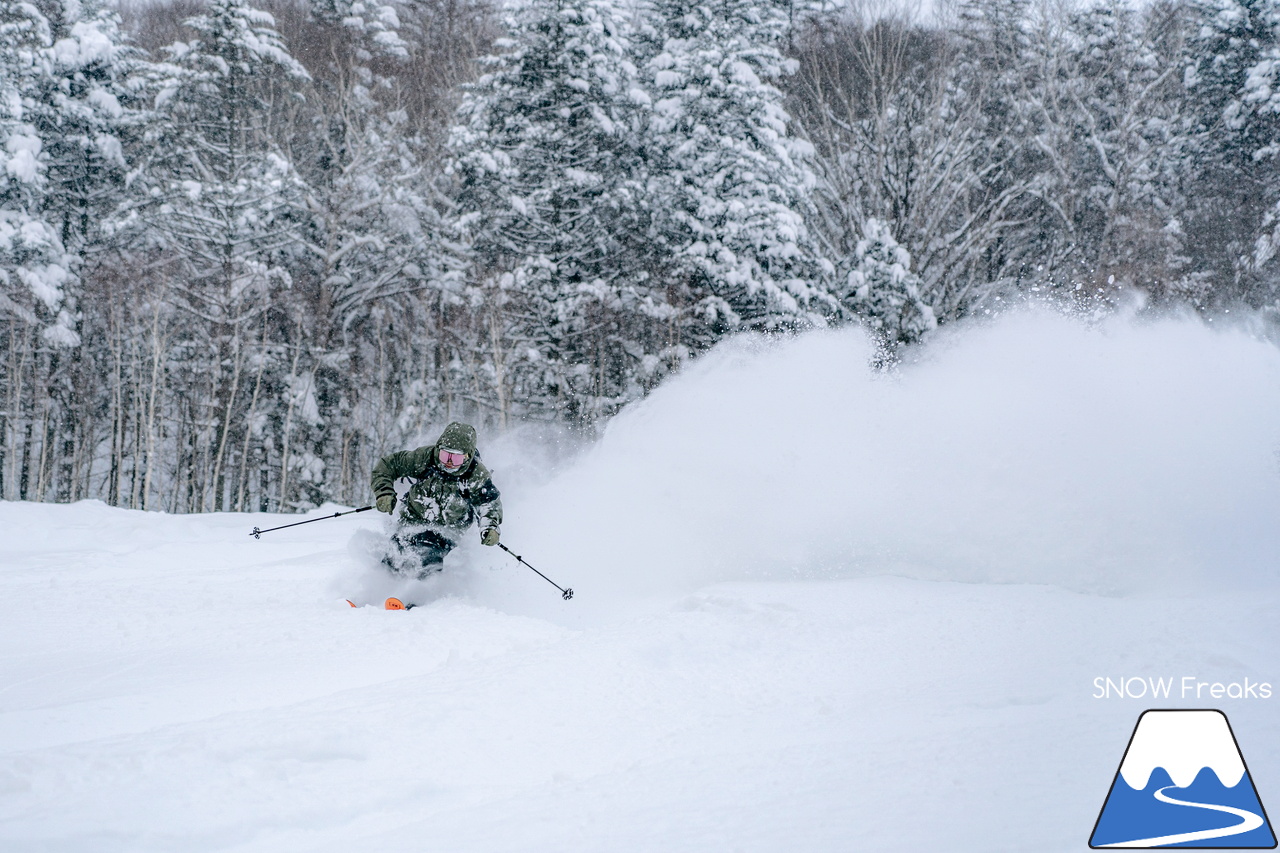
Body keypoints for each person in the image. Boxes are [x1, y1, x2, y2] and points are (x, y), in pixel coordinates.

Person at [370, 422, 502, 577]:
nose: (449, 463)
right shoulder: (425, 458)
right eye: (445, 455)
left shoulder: (476, 474)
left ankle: (423, 593)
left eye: (457, 459)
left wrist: (490, 527)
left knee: (428, 554)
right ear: (438, 449)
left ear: (468, 456)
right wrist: (384, 493)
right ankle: (376, 589)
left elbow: (489, 502)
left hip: (447, 530)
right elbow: (388, 465)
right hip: (412, 521)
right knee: (395, 553)